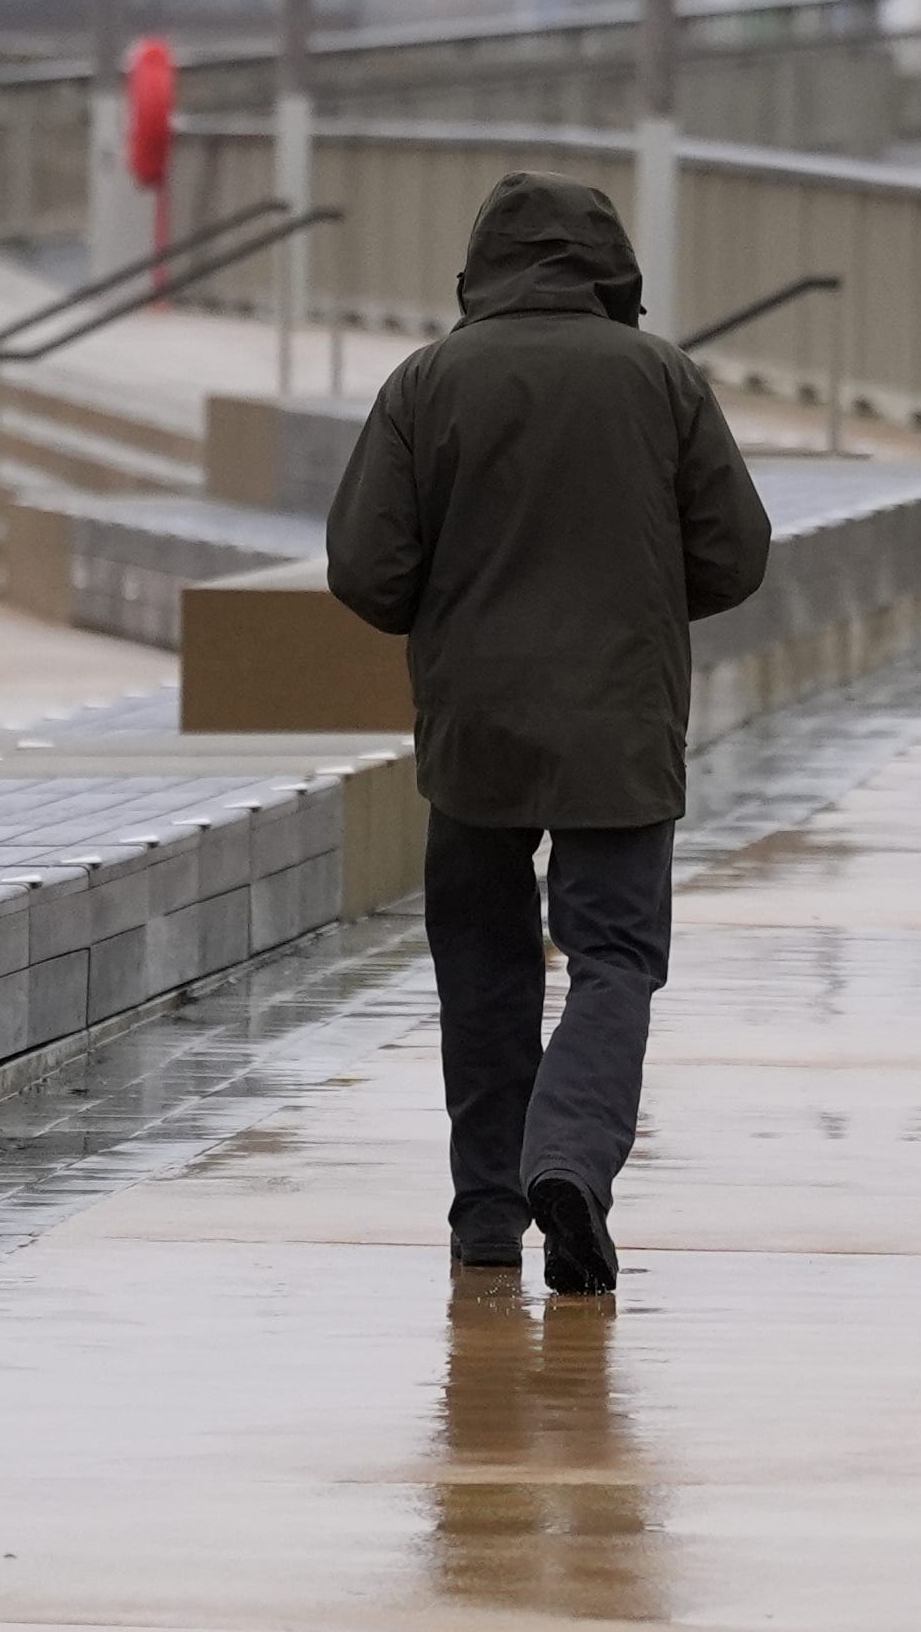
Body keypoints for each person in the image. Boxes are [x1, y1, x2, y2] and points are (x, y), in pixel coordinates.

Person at [330, 171, 770, 1297]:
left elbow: (365, 568)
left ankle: (486, 1218)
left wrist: (455, 601)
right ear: (610, 266)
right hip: (621, 724)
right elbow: (735, 552)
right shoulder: (660, 376)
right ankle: (567, 1158)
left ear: (481, 264)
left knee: (482, 968)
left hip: (473, 729)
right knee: (614, 959)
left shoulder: (428, 380)